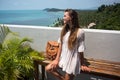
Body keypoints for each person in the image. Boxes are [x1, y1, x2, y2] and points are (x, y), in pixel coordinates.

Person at [45, 9, 91, 80]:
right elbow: (60, 45)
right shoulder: (64, 30)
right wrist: (57, 59)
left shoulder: (80, 32)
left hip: (73, 59)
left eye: (65, 16)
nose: (63, 17)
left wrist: (82, 64)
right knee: (48, 68)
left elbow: (80, 50)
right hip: (63, 58)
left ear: (71, 17)